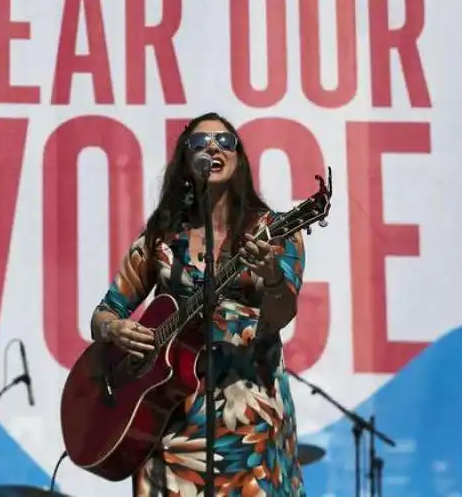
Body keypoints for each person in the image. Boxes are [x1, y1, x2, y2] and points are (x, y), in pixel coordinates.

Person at [90, 112, 306, 497]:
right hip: (170, 423)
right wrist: (114, 329)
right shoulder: (161, 236)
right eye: (199, 143)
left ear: (239, 160)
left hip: (248, 420)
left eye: (225, 142)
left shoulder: (271, 231)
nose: (212, 148)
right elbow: (105, 312)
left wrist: (272, 272)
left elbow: (281, 314)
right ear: (186, 163)